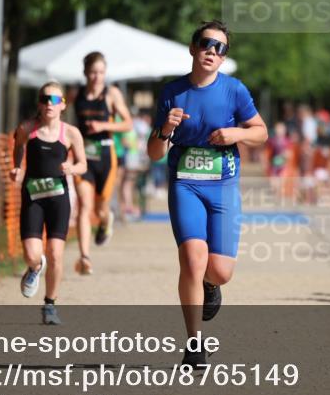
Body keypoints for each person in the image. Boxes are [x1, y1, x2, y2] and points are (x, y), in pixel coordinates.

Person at [147, 21, 268, 367]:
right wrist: (165, 129)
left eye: (221, 48)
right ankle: (194, 345)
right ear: (193, 47)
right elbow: (155, 153)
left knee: (220, 270)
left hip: (223, 185)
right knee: (192, 259)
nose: (213, 51)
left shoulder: (234, 91)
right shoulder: (172, 92)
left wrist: (235, 134)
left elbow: (261, 132)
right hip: (185, 183)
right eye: (207, 44)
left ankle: (211, 286)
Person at [9, 82, 89, 325]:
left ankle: (50, 304)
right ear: (39, 104)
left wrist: (72, 168)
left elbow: (83, 165)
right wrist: (16, 167)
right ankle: (34, 268)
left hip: (58, 198)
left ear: (63, 104)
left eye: (54, 100)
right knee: (33, 254)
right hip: (33, 196)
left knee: (55, 253)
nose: (49, 104)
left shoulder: (71, 133)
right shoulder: (26, 128)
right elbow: (18, 147)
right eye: (44, 99)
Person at [70, 52, 133, 275]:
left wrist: (104, 126)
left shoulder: (112, 94)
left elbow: (128, 123)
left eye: (101, 72)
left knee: (100, 209)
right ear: (85, 72)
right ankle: (85, 257)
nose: (97, 77)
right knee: (85, 207)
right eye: (93, 72)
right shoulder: (76, 94)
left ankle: (107, 220)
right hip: (84, 156)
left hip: (106, 155)